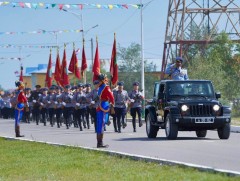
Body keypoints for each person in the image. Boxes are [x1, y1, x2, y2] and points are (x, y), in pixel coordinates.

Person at [96, 74, 114, 148]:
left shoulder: (100, 87)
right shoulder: (106, 87)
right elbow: (111, 97)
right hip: (103, 106)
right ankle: (100, 143)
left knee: (100, 124)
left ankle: (99, 142)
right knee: (102, 124)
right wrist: (112, 105)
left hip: (99, 105)